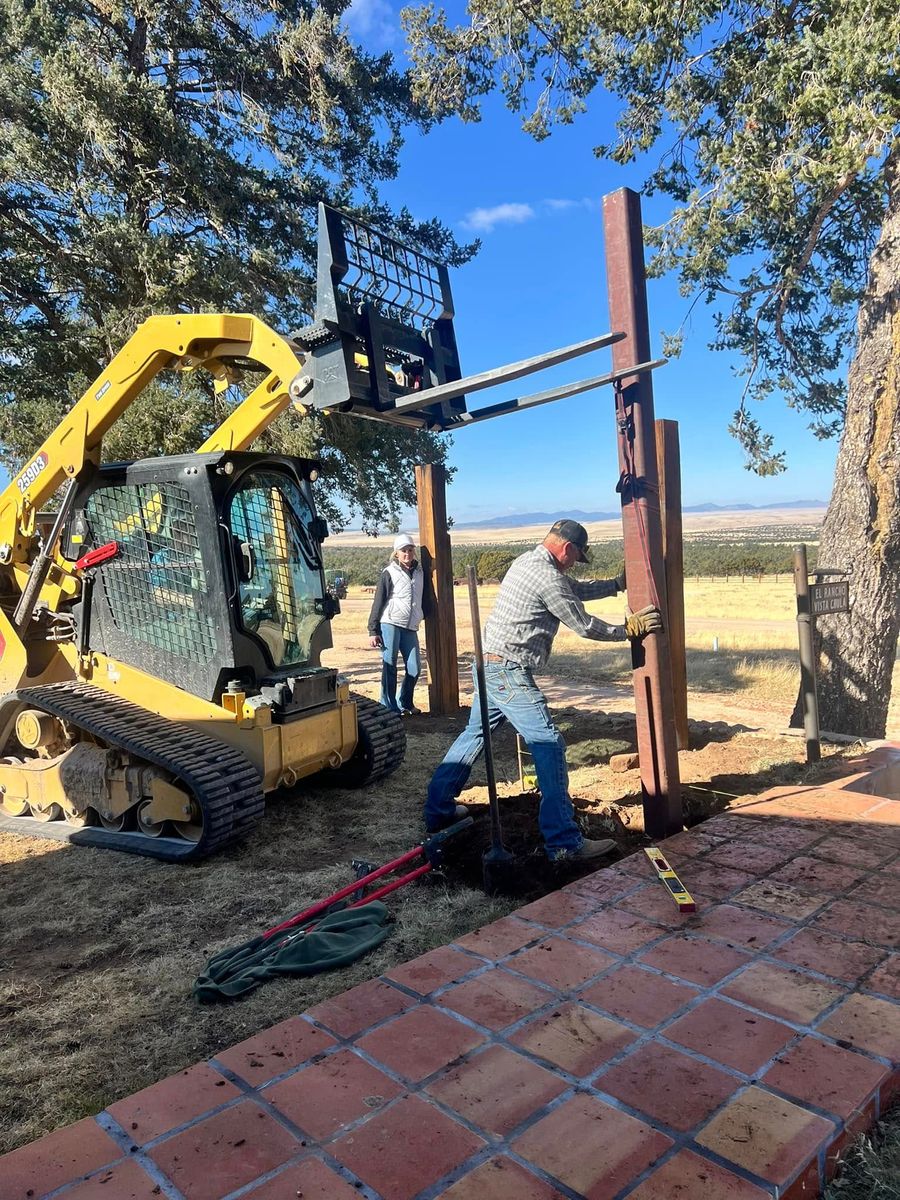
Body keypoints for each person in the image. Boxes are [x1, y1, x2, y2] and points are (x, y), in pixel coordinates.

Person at [424, 519, 662, 862]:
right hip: (508, 672)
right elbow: (584, 624)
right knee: (549, 743)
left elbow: (572, 589)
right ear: (567, 548)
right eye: (576, 557)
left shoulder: (529, 561)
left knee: (475, 735)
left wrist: (615, 585)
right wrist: (628, 630)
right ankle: (563, 842)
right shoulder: (548, 577)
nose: (575, 563)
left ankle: (438, 810)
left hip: (488, 666)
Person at [368, 533, 433, 715]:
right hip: (390, 623)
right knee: (389, 664)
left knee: (414, 668)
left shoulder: (420, 572)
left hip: (410, 626)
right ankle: (388, 706)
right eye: (403, 550)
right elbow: (378, 601)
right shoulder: (389, 572)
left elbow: (425, 597)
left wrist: (423, 614)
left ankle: (404, 701)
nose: (407, 553)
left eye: (410, 550)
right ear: (396, 553)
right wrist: (373, 630)